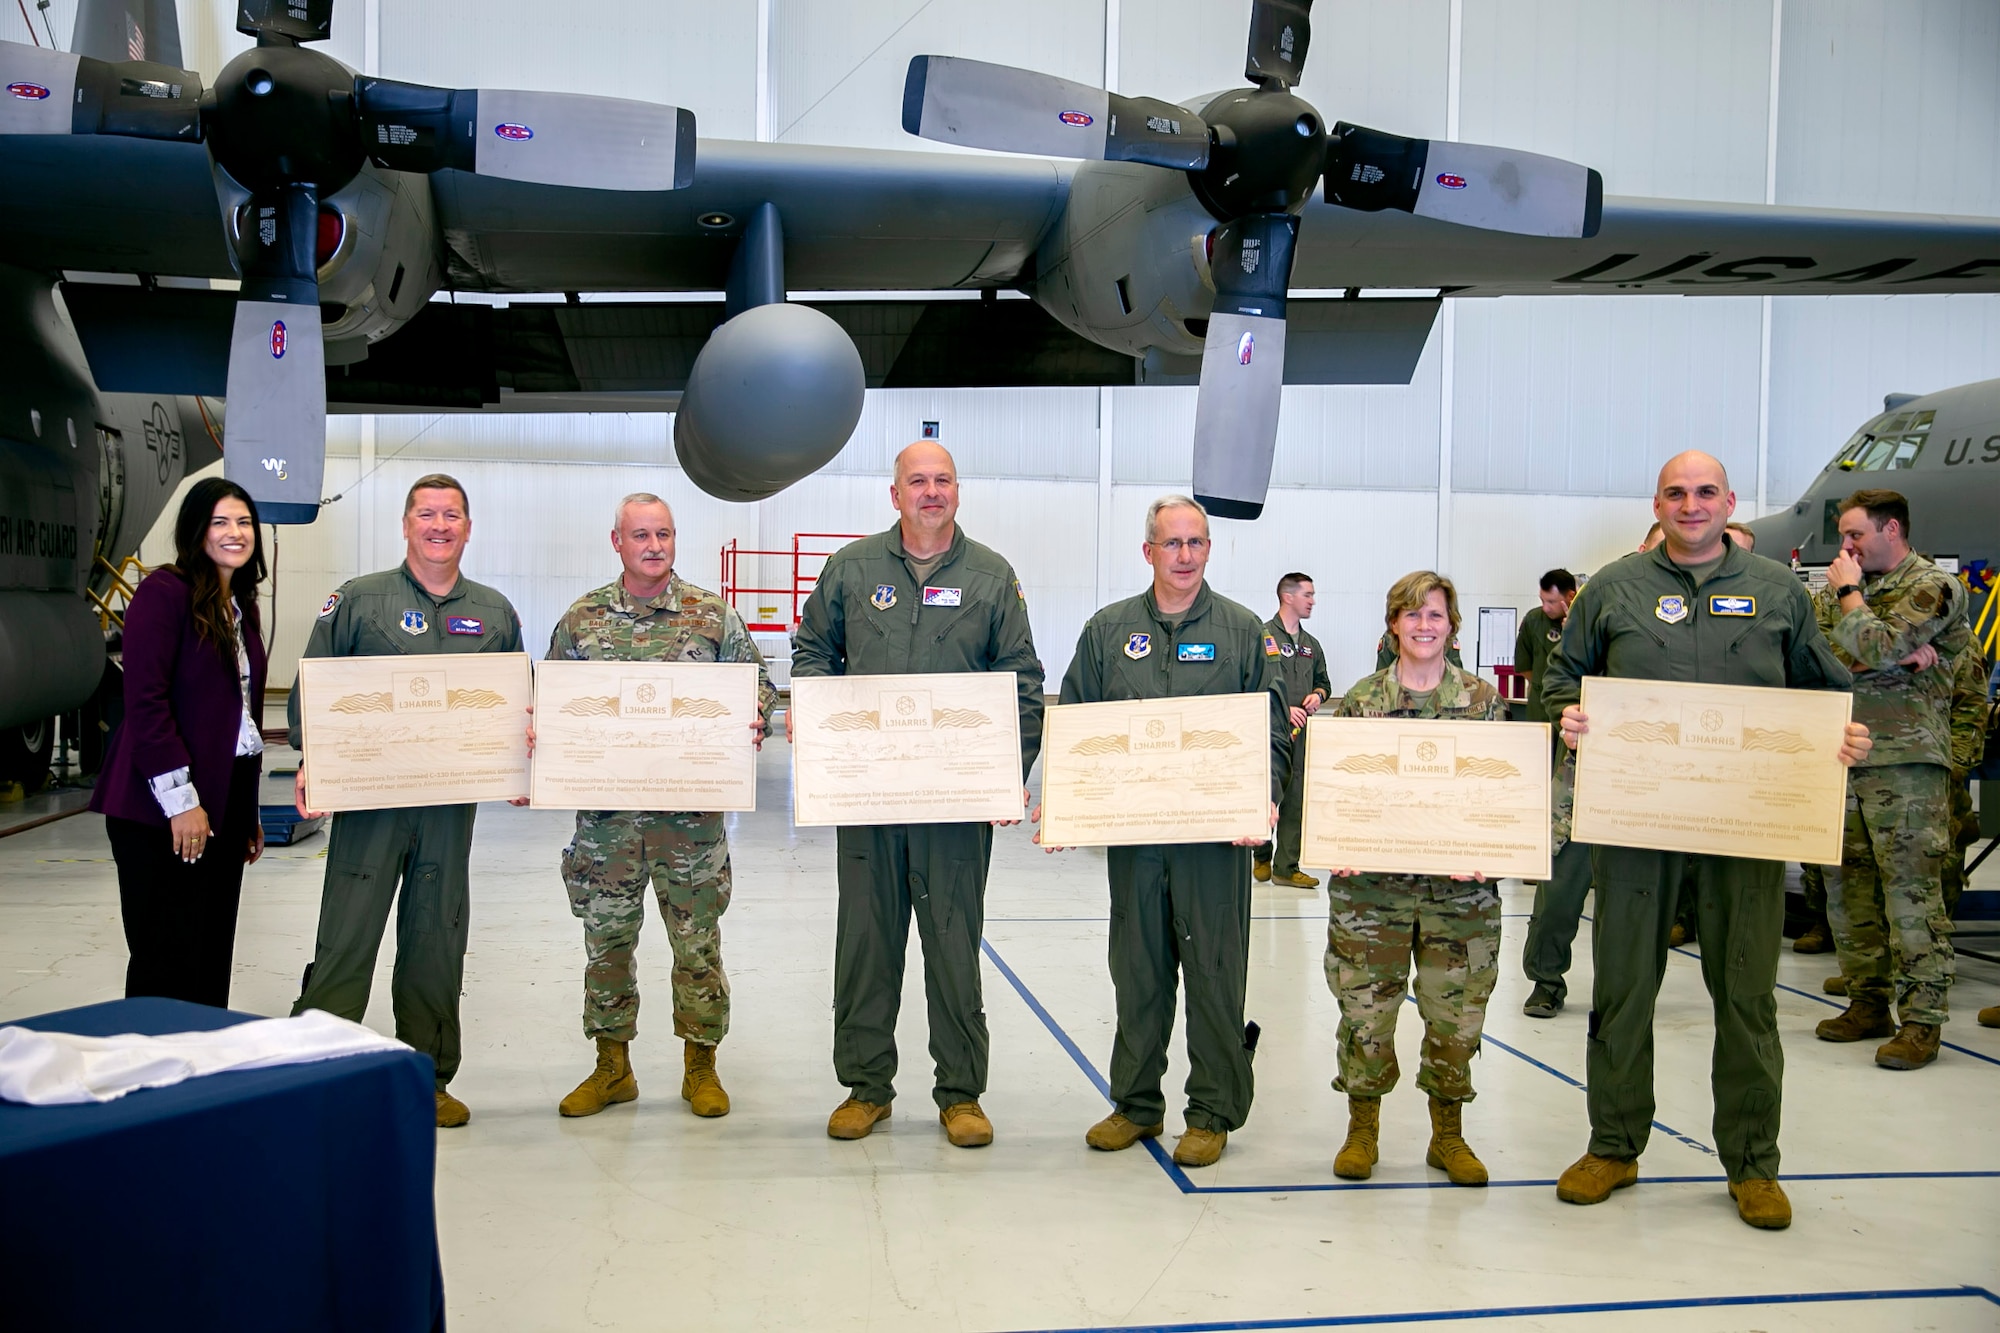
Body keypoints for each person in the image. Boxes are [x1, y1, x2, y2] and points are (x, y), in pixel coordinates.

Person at [1541, 451, 1869, 1231]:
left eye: (1706, 492)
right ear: (1656, 502)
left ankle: (1753, 1162)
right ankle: (1614, 1144)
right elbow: (1560, 682)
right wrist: (1567, 718)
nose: (1692, 505)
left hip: (1745, 827)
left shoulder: (1779, 591)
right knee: (1622, 987)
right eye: (1677, 493)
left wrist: (1845, 738)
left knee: (1748, 993)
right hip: (1635, 825)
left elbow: (1824, 692)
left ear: (1728, 503)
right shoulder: (1612, 589)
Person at [790, 442, 1044, 1148]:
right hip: (870, 801)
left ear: (957, 492)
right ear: (894, 494)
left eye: (943, 481)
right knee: (867, 942)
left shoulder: (992, 576)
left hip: (956, 806)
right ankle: (866, 1086)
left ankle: (960, 1091)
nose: (931, 492)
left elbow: (1023, 678)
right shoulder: (852, 569)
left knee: (953, 943)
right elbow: (812, 652)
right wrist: (829, 742)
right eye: (917, 481)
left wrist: (1005, 774)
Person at [1043, 495, 1287, 1169]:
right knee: (1139, 971)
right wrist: (1064, 802)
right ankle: (1136, 1103)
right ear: (1147, 551)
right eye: (1172, 543)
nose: (1185, 555)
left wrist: (1265, 794)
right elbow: (1078, 723)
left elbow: (1271, 728)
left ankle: (1211, 1111)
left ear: (1210, 550)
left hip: (1215, 843)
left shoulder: (1242, 631)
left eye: (1196, 542)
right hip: (1138, 840)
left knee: (1214, 972)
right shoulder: (1108, 630)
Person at [290, 474, 524, 1129]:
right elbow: (312, 687)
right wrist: (314, 758)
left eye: (452, 514)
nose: (440, 525)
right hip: (371, 808)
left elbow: (515, 706)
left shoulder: (497, 613)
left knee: (436, 939)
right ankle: (314, 1070)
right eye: (427, 513)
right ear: (406, 523)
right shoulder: (359, 601)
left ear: (469, 528)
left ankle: (428, 1076)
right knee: (346, 937)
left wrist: (520, 762)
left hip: (449, 811)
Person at [545, 494, 777, 1120]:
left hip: (690, 823)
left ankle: (701, 1065)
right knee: (607, 943)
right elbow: (553, 701)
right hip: (607, 827)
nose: (654, 545)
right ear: (616, 541)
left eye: (664, 534)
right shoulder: (581, 621)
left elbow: (759, 683)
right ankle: (612, 1068)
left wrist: (755, 713)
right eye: (640, 535)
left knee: (696, 946)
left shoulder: (711, 617)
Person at [1323, 571, 1505, 1187]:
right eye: (1411, 615)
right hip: (1372, 896)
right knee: (1365, 1015)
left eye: (1435, 615)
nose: (1424, 626)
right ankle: (1362, 1129)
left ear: (1452, 626)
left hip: (1461, 897)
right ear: (1393, 624)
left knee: (1455, 1020)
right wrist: (1335, 840)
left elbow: (1503, 794)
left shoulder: (1483, 703)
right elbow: (1336, 790)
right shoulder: (1360, 700)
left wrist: (1492, 849)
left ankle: (1448, 1136)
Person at [92, 477, 269, 1007]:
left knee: (211, 949)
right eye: (220, 522)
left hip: (227, 795)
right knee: (165, 955)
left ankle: (201, 1074)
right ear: (196, 530)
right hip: (160, 804)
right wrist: (183, 802)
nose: (235, 533)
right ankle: (153, 1076)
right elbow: (146, 704)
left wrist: (247, 808)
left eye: (244, 522)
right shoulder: (162, 593)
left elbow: (239, 717)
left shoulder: (241, 606)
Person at [1810, 489, 1968, 1070]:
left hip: (1906, 761)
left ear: (1891, 529)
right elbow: (1813, 657)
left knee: (1911, 894)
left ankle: (1922, 1022)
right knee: (1845, 889)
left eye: (1854, 535)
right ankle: (1867, 1002)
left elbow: (1878, 644)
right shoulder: (1850, 592)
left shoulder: (1934, 586)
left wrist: (1861, 620)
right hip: (1842, 755)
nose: (1844, 549)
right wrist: (1880, 651)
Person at [1254, 572, 1331, 890]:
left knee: (1296, 798)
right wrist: (1282, 709)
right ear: (1288, 597)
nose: (1312, 601)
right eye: (1307, 595)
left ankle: (1286, 867)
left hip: (1302, 736)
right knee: (1266, 794)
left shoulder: (1311, 646)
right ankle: (1261, 853)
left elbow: (1324, 683)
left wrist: (1318, 696)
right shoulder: (1260, 638)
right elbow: (1253, 683)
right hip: (1269, 732)